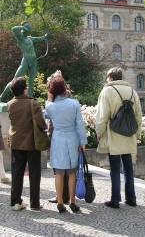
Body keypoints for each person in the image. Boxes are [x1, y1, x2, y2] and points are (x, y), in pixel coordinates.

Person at [95, 67, 142, 209]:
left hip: (114, 134)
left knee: (115, 169)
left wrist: (99, 133)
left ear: (110, 77)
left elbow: (102, 116)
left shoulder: (107, 91)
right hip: (129, 135)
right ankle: (131, 198)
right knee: (128, 168)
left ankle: (115, 200)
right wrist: (138, 135)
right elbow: (138, 116)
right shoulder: (133, 92)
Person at [45, 76, 87, 214]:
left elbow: (46, 118)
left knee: (58, 172)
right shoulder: (74, 103)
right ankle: (73, 202)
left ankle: (60, 202)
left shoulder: (49, 106)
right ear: (64, 88)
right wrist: (83, 142)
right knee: (72, 172)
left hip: (58, 139)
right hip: (72, 138)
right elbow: (80, 125)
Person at [7, 77, 46, 211]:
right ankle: (34, 203)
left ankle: (15, 202)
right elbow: (41, 123)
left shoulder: (10, 104)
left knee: (16, 173)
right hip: (32, 142)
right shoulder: (33, 103)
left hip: (16, 142)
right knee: (34, 173)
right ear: (24, 89)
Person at [0, 22, 48, 102]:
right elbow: (13, 29)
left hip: (33, 61)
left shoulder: (30, 38)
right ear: (24, 29)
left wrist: (44, 37)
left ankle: (30, 100)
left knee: (31, 82)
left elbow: (39, 38)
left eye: (29, 28)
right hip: (26, 61)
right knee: (15, 80)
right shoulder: (20, 37)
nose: (29, 29)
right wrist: (23, 27)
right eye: (28, 27)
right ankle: (1, 97)